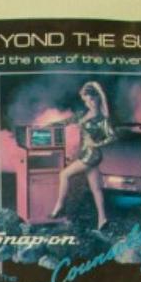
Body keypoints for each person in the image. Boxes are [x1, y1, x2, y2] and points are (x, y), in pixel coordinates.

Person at [53, 79, 117, 229]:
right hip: (87, 154)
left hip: (91, 155)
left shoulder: (101, 119)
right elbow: (67, 121)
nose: (87, 102)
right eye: (85, 99)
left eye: (89, 99)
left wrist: (96, 143)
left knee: (64, 174)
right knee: (96, 189)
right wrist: (47, 127)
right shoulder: (83, 114)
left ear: (95, 98)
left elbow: (112, 136)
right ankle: (102, 220)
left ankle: (59, 206)